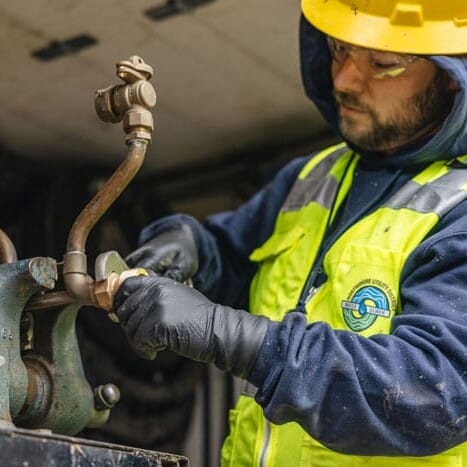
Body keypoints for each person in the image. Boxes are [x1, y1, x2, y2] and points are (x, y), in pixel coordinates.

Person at [113, 0, 467, 465]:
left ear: (451, 75)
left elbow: (432, 392)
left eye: (382, 64)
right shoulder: (312, 176)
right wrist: (190, 245)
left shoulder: (458, 209)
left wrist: (235, 338)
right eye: (339, 50)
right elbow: (232, 258)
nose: (343, 80)